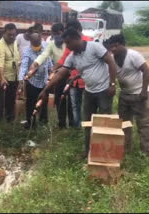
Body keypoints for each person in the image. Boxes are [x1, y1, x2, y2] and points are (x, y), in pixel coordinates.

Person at [38, 28, 117, 159]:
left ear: (76, 38)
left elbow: (111, 62)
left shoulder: (94, 47)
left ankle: (104, 153)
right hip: (89, 92)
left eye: (68, 43)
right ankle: (88, 152)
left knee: (104, 122)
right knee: (87, 123)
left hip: (104, 91)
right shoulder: (72, 56)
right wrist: (46, 89)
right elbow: (61, 73)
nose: (67, 46)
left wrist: (112, 84)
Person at [107, 34, 149, 156]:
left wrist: (143, 91)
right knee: (124, 123)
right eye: (111, 47)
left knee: (143, 124)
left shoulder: (133, 55)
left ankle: (146, 151)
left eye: (116, 46)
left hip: (139, 94)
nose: (113, 49)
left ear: (122, 45)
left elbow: (146, 71)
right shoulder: (112, 58)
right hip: (124, 95)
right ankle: (126, 149)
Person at [28, 23, 69, 128]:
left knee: (72, 101)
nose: (57, 36)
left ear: (62, 32)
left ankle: (73, 124)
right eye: (55, 34)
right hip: (58, 76)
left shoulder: (68, 43)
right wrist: (36, 63)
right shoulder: (51, 44)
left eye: (58, 34)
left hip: (70, 74)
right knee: (60, 99)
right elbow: (44, 55)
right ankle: (62, 123)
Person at [55, 20, 89, 128]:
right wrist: (53, 70)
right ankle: (76, 128)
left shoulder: (90, 42)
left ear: (79, 30)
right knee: (75, 106)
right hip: (74, 81)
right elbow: (63, 60)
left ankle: (88, 128)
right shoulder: (70, 43)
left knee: (88, 106)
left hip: (88, 82)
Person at [19, 33, 53, 129]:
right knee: (31, 104)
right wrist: (21, 80)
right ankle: (30, 123)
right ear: (31, 42)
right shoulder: (27, 51)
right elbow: (24, 66)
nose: (37, 46)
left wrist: (51, 70)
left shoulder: (45, 46)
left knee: (43, 103)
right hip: (32, 82)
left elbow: (48, 60)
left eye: (38, 44)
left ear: (41, 41)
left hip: (44, 82)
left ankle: (43, 123)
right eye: (34, 44)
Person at [0, 23, 21, 123]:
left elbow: (16, 58)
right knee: (1, 102)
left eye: (13, 34)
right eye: (9, 35)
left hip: (14, 77)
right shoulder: (0, 45)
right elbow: (0, 64)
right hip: (2, 79)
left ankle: (9, 120)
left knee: (11, 100)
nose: (12, 37)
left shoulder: (13, 42)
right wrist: (2, 78)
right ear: (4, 33)